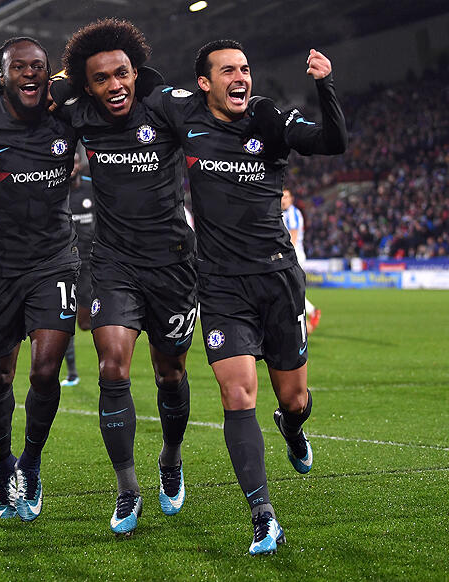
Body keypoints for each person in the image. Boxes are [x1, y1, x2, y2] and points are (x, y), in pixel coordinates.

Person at [142, 40, 347, 554]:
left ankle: (292, 428)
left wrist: (324, 85)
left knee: (292, 398)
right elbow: (132, 78)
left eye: (246, 68)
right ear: (205, 83)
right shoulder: (184, 112)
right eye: (228, 70)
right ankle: (263, 516)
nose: (241, 77)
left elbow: (332, 142)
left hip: (278, 279)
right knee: (237, 396)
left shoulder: (268, 118)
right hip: (219, 284)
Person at [59, 19, 197, 536]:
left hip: (172, 265)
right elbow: (26, 92)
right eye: (100, 78)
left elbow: (222, 117)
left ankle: (171, 456)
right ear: (87, 84)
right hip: (113, 264)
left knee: (170, 374)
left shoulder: (165, 107)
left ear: (136, 72)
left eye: (122, 74)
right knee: (112, 368)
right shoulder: (80, 115)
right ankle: (127, 487)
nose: (114, 85)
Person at [0, 37, 79, 522]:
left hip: (55, 261)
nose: (30, 73)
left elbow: (115, 80)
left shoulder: (65, 118)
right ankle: (1, 466)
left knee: (45, 371)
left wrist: (62, 86)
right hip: (0, 268)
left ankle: (29, 464)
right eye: (19, 67)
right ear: (1, 76)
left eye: (39, 67)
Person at [60, 152, 94, 387]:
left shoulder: (93, 187)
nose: (71, 167)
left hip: (91, 263)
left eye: (74, 162)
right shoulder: (56, 189)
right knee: (65, 319)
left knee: (85, 323)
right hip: (65, 263)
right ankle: (72, 373)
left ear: (79, 164)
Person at [282, 188, 320, 334]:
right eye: (282, 197)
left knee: (288, 290)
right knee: (289, 290)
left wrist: (287, 256)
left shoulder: (292, 213)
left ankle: (306, 318)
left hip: (293, 256)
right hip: (291, 256)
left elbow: (293, 236)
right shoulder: (285, 213)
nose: (283, 200)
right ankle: (309, 315)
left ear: (291, 199)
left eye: (286, 197)